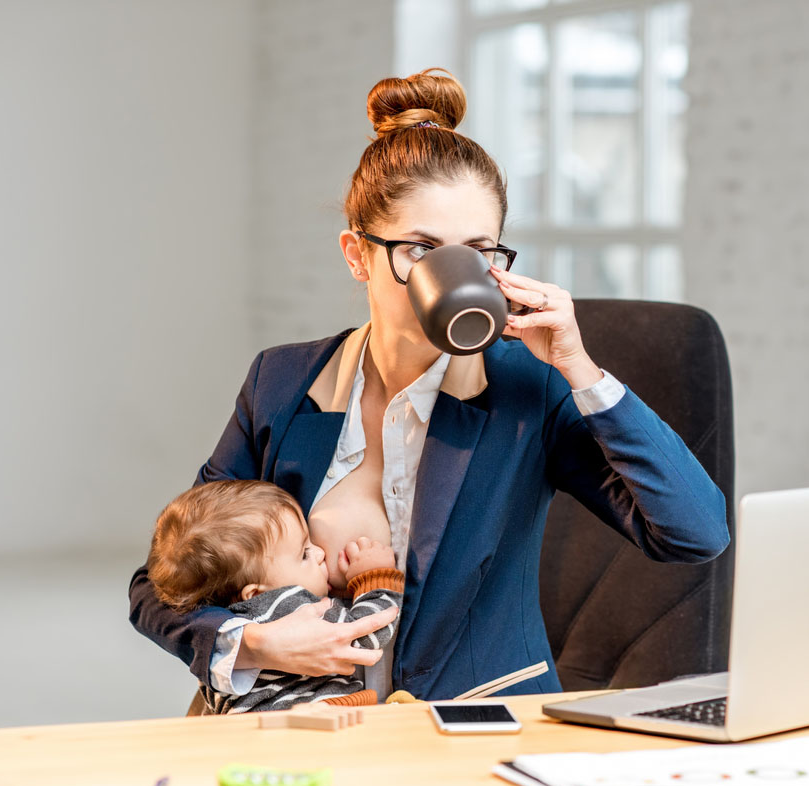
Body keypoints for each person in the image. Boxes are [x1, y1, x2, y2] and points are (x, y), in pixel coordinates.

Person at [128, 67, 730, 704]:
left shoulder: (530, 391)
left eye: (477, 250)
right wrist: (253, 644)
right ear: (358, 254)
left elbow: (694, 534)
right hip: (299, 725)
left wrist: (581, 368)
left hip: (475, 724)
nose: (453, 272)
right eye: (421, 247)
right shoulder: (281, 382)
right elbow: (160, 585)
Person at [146, 479, 403, 712]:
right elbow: (365, 634)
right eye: (303, 553)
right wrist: (374, 578)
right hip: (316, 721)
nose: (320, 553)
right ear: (256, 593)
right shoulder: (286, 606)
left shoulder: (230, 617)